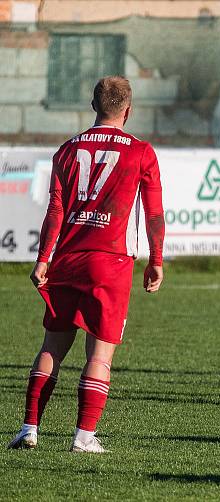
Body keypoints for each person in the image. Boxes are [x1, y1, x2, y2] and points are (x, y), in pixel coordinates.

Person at [7, 76, 165, 453]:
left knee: (52, 346)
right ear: (128, 110)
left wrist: (44, 257)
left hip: (67, 259)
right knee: (100, 354)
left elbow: (55, 211)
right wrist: (156, 260)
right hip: (109, 263)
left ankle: (29, 428)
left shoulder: (67, 149)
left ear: (94, 106)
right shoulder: (141, 151)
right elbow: (154, 213)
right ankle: (83, 436)